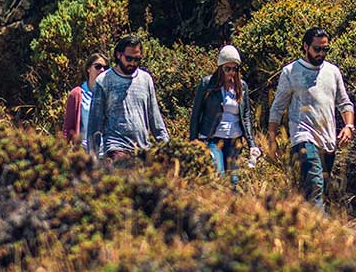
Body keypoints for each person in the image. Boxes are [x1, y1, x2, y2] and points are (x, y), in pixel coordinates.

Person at [267, 27, 354, 210]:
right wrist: (272, 139)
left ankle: (304, 230)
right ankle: (322, 235)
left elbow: (344, 103)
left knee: (319, 190)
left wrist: (348, 126)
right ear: (305, 47)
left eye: (325, 49)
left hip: (328, 140)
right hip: (303, 137)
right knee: (315, 185)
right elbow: (278, 107)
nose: (321, 53)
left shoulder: (333, 71)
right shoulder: (290, 72)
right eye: (317, 49)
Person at [86, 35, 169, 163]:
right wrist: (92, 158)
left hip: (142, 148)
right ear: (119, 55)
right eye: (129, 58)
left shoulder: (145, 79)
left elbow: (155, 118)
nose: (132, 63)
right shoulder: (104, 80)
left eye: (137, 59)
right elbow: (95, 124)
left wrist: (168, 148)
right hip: (116, 147)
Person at [189, 45, 260, 177]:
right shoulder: (207, 84)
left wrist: (252, 144)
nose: (231, 72)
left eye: (235, 69)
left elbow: (246, 117)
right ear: (221, 68)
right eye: (228, 68)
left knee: (233, 180)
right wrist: (193, 142)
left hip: (234, 140)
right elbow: (196, 114)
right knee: (218, 175)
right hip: (213, 139)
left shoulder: (242, 86)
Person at [63, 53, 109, 149]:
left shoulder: (110, 94)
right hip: (84, 153)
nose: (102, 70)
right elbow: (68, 129)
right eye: (98, 66)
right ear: (88, 69)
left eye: (105, 67)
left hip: (106, 153)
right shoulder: (77, 94)